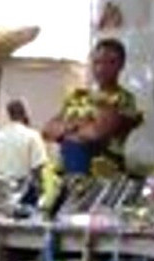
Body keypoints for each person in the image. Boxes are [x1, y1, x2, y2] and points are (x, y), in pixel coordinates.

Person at [42, 38, 143, 174]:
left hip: (104, 177)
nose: (101, 68)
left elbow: (97, 133)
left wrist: (67, 127)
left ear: (121, 65)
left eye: (110, 62)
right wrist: (80, 125)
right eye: (97, 62)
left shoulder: (123, 99)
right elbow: (48, 130)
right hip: (67, 173)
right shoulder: (78, 96)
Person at [0, 99, 48, 182]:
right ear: (24, 114)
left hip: (0, 185)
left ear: (8, 115)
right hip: (22, 186)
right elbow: (38, 165)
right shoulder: (32, 136)